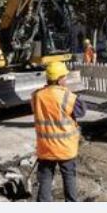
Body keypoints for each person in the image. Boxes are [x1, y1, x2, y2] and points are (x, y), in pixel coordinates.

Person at [31, 61, 86, 202]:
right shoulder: (67, 96)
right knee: (69, 176)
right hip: (65, 148)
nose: (66, 80)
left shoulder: (37, 96)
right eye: (65, 77)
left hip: (46, 148)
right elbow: (81, 112)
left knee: (45, 178)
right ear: (59, 79)